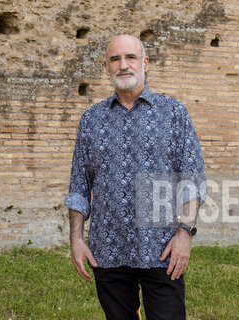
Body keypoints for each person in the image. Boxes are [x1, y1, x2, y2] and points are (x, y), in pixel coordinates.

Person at [65, 34, 206, 320]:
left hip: (162, 249)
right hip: (108, 250)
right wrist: (77, 239)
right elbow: (79, 187)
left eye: (130, 57)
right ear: (106, 67)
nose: (123, 65)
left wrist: (185, 234)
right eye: (115, 59)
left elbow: (192, 181)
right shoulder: (91, 119)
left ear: (145, 63)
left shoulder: (174, 113)